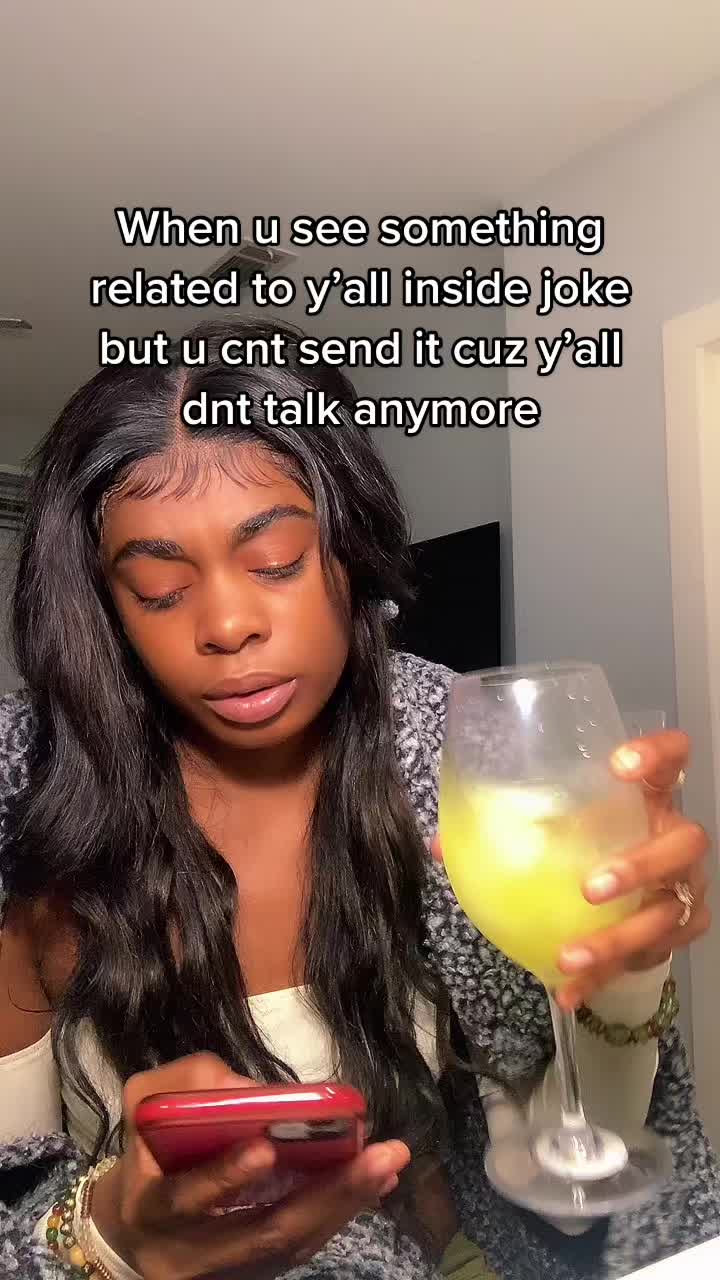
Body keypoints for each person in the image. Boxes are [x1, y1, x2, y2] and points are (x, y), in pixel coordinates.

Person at [0, 316, 716, 1280]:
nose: (228, 623)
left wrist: (622, 966)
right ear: (105, 609)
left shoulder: (451, 760)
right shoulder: (27, 802)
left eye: (276, 563)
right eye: (161, 589)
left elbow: (566, 1161)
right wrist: (106, 1240)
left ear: (350, 551)